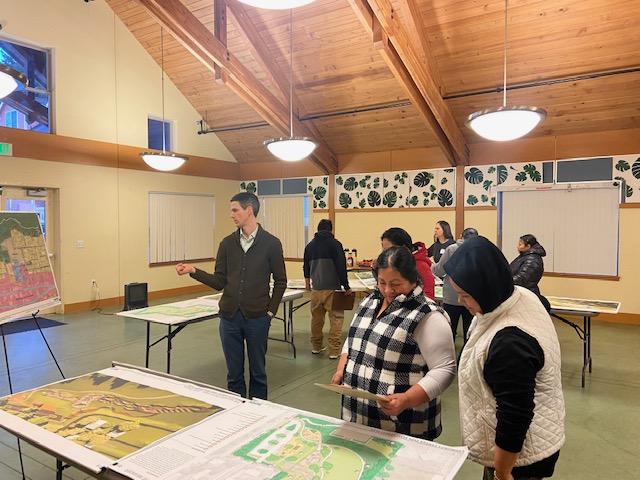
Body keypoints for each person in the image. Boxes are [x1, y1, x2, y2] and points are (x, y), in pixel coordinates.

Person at [443, 236, 565, 480]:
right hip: (524, 442)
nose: (460, 302)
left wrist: (502, 471)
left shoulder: (510, 342)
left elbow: (515, 415)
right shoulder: (517, 295)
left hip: (521, 457)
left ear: (485, 288)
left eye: (465, 295)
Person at [331, 246, 456, 440]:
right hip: (358, 416)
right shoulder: (369, 302)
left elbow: (444, 369)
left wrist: (407, 399)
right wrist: (342, 368)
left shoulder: (427, 314)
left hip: (403, 424)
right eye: (382, 282)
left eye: (396, 284)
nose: (388, 290)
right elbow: (354, 339)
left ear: (412, 279)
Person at [176, 192, 286, 400]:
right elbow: (219, 282)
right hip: (229, 319)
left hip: (258, 319)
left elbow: (281, 281)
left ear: (249, 210)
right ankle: (236, 410)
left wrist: (270, 313)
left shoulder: (271, 243)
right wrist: (193, 271)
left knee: (258, 373)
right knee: (233, 375)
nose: (231, 215)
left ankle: (258, 411)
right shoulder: (227, 244)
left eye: (235, 210)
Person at [303, 219, 352, 359]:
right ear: (330, 229)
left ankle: (316, 347)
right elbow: (341, 267)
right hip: (333, 290)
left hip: (316, 289)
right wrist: (346, 286)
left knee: (316, 319)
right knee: (336, 319)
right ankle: (334, 351)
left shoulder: (310, 246)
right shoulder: (335, 244)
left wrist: (308, 284)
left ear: (318, 230)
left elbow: (306, 267)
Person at [431, 227, 478, 346]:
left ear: (461, 236)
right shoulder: (479, 250)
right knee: (469, 332)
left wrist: (432, 265)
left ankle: (449, 355)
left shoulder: (451, 249)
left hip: (452, 296)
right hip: (471, 297)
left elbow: (439, 271)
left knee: (450, 331)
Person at [381, 227, 436, 300]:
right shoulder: (393, 263)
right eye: (383, 249)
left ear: (404, 248)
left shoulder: (421, 266)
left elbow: (428, 296)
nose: (384, 254)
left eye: (389, 250)